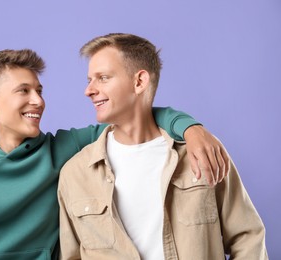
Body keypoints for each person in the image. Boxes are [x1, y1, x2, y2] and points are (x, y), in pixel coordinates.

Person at [0, 49, 228, 260]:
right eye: (24, 91)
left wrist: (190, 129)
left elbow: (134, 117)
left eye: (39, 91)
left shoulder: (63, 151)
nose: (38, 101)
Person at [58, 33, 268, 259]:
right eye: (89, 80)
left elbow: (247, 236)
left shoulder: (200, 153)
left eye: (103, 78)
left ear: (139, 82)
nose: (89, 90)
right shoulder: (75, 174)